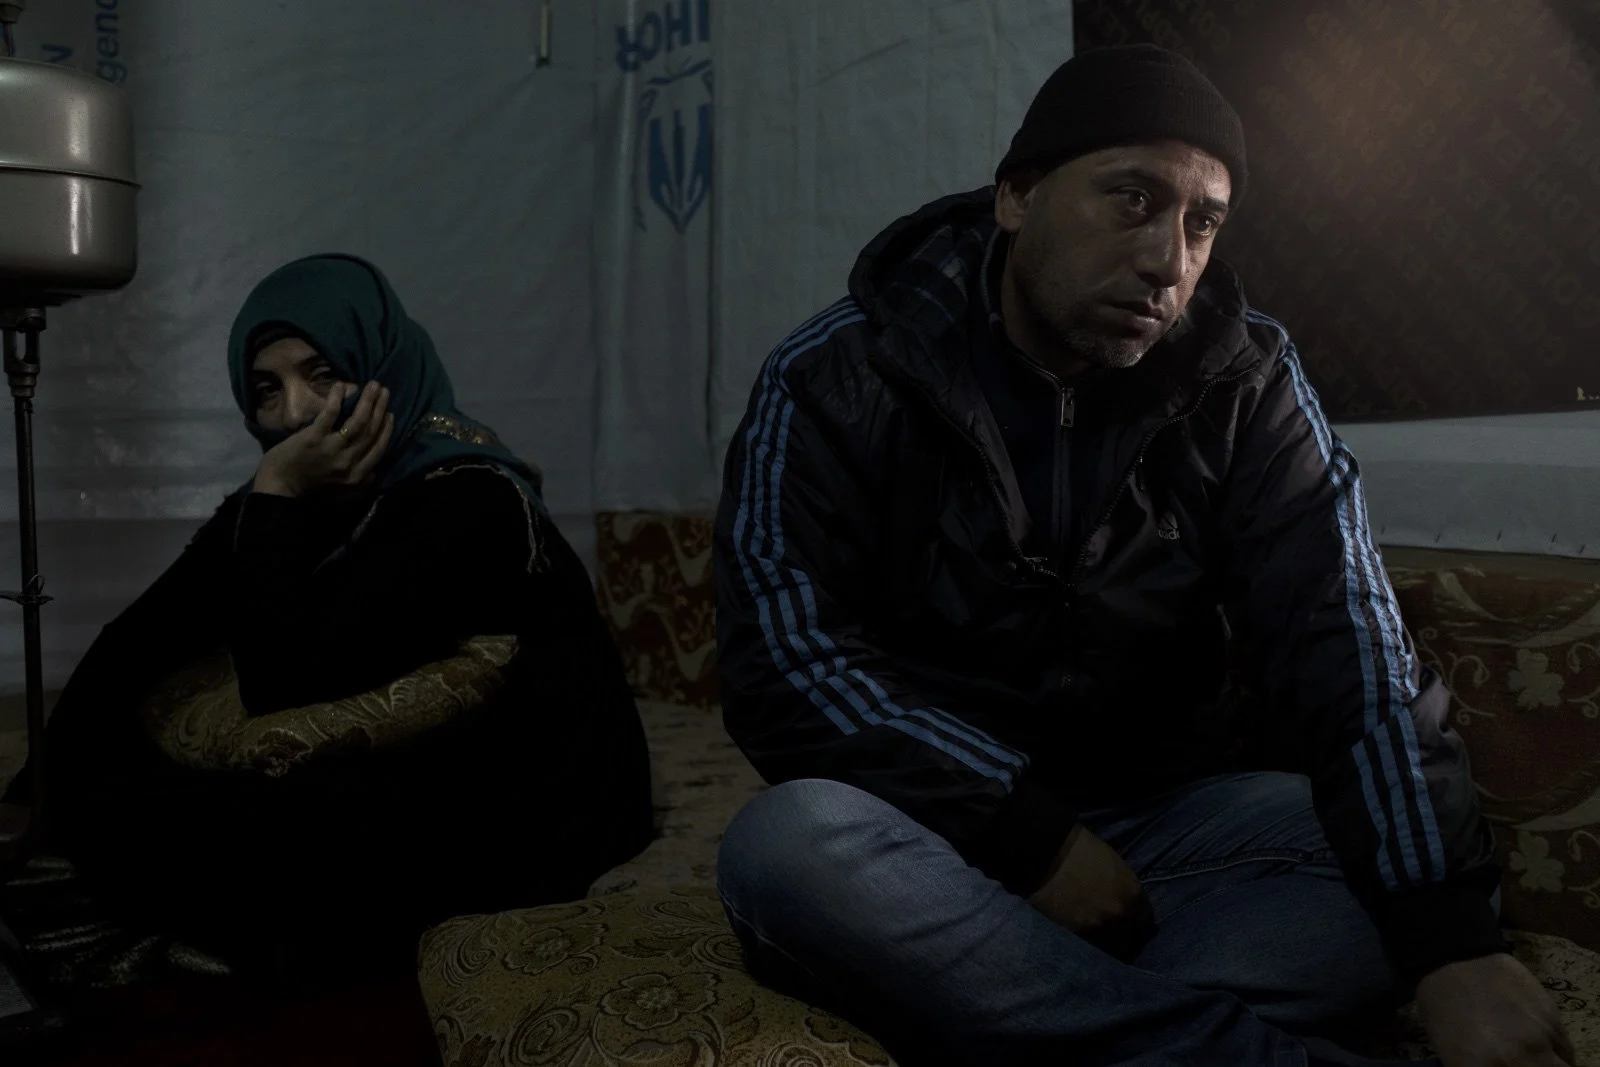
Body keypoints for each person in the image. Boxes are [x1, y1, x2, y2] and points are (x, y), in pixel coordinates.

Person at [712, 45, 1573, 1067]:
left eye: (1202, 222)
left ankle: (1018, 1005)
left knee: (1368, 864)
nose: (1169, 261)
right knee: (788, 843)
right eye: (1132, 199)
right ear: (1018, 196)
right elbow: (786, 661)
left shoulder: (1245, 377)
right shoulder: (835, 374)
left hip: (1167, 826)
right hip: (932, 830)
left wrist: (1451, 943)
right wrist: (1027, 837)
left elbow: (1345, 637)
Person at [2, 254, 653, 987]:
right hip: (399, 777)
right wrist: (32, 792)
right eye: (267, 390)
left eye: (322, 375)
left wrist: (278, 489)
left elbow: (285, 677)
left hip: (518, 802)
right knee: (109, 765)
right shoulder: (303, 493)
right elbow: (135, 643)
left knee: (250, 831)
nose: (296, 414)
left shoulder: (468, 498)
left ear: (383, 369)